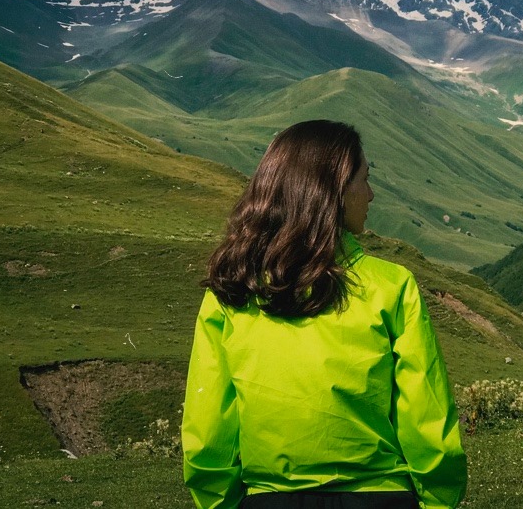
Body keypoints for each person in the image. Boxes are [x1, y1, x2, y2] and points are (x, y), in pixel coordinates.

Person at [181, 120, 467, 509]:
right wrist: (437, 500)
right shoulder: (392, 286)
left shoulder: (232, 292)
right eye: (364, 180)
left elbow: (208, 427)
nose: (371, 195)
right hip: (381, 498)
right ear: (333, 190)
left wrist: (223, 503)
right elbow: (427, 419)